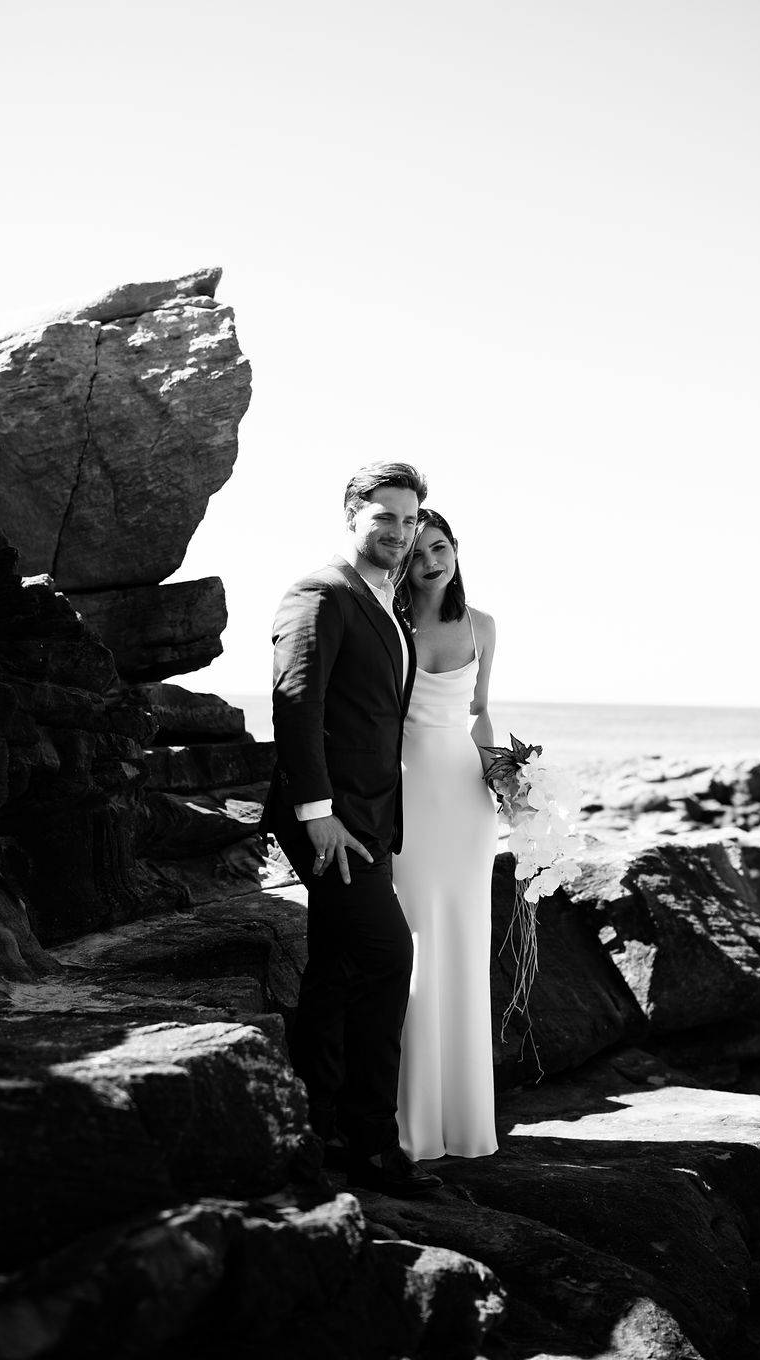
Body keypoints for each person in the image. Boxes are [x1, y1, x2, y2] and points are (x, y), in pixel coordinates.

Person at [263, 461, 442, 1197]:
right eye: (385, 518)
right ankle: (371, 1143)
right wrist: (318, 816)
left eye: (410, 520)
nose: (399, 534)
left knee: (336, 977)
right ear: (351, 513)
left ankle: (311, 1128)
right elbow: (295, 704)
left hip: (369, 815)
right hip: (335, 825)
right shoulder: (320, 593)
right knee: (387, 959)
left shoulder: (386, 603)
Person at [393, 508, 500, 1159]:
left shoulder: (483, 625)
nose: (431, 561)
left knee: (462, 946)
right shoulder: (391, 625)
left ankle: (466, 1125)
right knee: (413, 948)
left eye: (440, 547)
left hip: (467, 800)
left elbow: (482, 713)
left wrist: (507, 781)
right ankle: (416, 1128)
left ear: (456, 549)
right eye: (417, 552)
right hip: (406, 792)